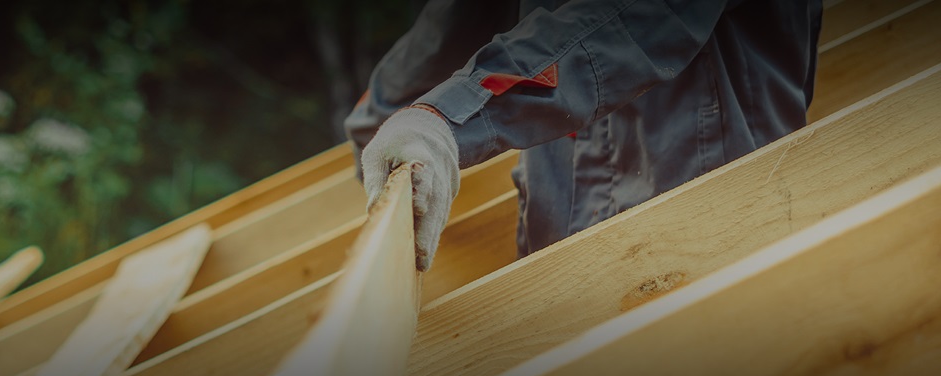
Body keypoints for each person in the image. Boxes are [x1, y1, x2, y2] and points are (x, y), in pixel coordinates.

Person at [347, 0, 822, 271]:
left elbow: (631, 17)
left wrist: (448, 116)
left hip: (712, 240)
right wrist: (388, 118)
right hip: (556, 238)